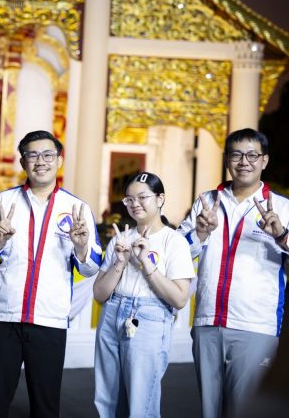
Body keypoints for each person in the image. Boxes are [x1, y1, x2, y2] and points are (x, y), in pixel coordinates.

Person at [0, 130, 102, 418]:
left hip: (49, 320)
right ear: (23, 162)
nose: (40, 161)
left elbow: (91, 266)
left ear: (59, 160)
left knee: (45, 407)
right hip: (5, 318)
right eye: (32, 155)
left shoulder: (76, 208)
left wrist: (81, 247)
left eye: (47, 155)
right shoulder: (4, 202)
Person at [178, 128, 289, 417]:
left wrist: (282, 236)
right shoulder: (207, 201)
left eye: (252, 155)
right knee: (209, 411)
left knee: (244, 411)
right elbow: (177, 253)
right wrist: (200, 233)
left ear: (264, 160)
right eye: (237, 155)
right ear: (227, 159)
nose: (244, 162)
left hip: (256, 325)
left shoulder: (283, 207)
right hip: (207, 322)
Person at [93, 172, 195, 417]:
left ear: (160, 199)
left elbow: (180, 298)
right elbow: (99, 294)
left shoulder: (174, 241)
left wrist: (147, 263)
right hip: (112, 312)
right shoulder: (121, 239)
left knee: (141, 401)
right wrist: (120, 262)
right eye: (129, 199)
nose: (135, 204)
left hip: (149, 316)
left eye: (142, 197)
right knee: (107, 397)